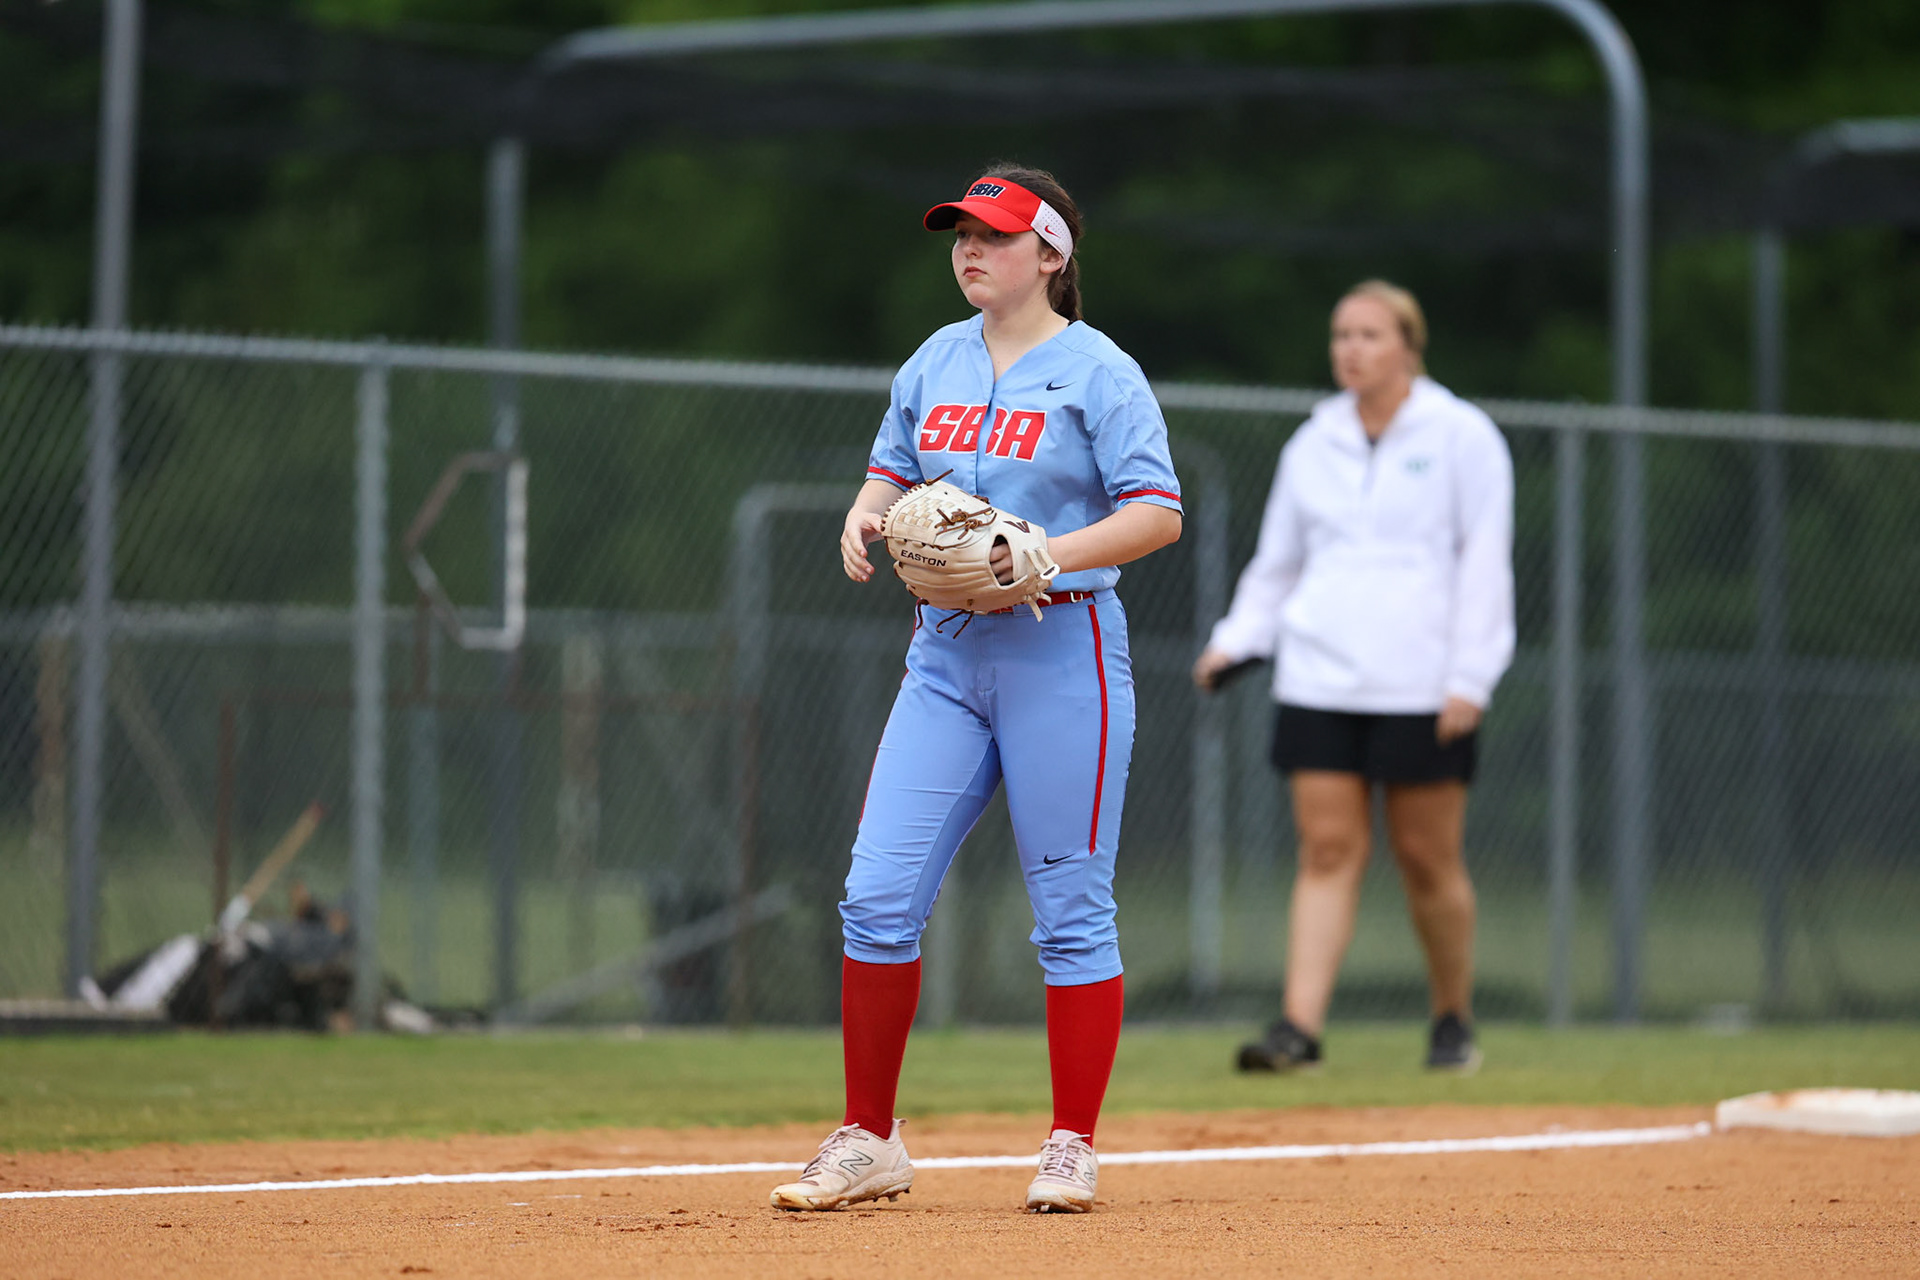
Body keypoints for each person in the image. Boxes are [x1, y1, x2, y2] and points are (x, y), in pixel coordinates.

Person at [770, 166, 1183, 1215]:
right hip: (946, 657)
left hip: (1064, 649)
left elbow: (1157, 512)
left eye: (994, 235)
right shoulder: (935, 359)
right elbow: (892, 468)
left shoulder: (1100, 371)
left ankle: (1072, 1143)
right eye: (960, 233)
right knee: (876, 896)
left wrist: (1048, 552)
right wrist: (866, 510)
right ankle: (870, 1138)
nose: (969, 249)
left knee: (1071, 909)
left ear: (1050, 255)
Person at [1192, 280, 1513, 1075]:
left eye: (1370, 335)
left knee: (1427, 858)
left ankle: (1452, 1018)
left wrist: (1470, 678)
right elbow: (1279, 564)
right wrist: (1235, 642)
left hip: (1422, 683)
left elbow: (1485, 564)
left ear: (1409, 346)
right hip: (1319, 677)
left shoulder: (1462, 435)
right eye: (1342, 335)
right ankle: (1298, 1030)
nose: (1352, 349)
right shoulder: (1313, 443)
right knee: (1328, 849)